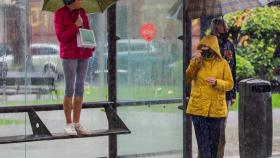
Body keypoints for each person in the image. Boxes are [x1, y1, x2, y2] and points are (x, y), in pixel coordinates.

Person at [186, 35, 234, 158]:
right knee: (204, 147)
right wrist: (194, 64)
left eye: (206, 47)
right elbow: (186, 77)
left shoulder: (223, 64)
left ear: (213, 48)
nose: (203, 49)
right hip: (198, 110)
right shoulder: (196, 61)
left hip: (216, 111)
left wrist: (217, 82)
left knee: (214, 146)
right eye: (201, 47)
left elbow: (230, 84)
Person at [54, 0, 95, 136]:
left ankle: (77, 123)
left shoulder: (82, 12)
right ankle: (69, 124)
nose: (82, 1)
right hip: (69, 55)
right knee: (69, 88)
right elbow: (62, 37)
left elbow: (88, 30)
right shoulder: (59, 14)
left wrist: (91, 43)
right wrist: (76, 26)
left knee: (80, 88)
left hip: (84, 53)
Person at [211, 18, 237, 158]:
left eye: (225, 25)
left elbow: (233, 70)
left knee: (221, 130)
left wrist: (233, 94)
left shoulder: (229, 44)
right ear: (216, 27)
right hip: (212, 92)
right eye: (223, 25)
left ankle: (218, 155)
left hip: (225, 94)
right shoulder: (209, 43)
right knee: (211, 129)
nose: (226, 27)